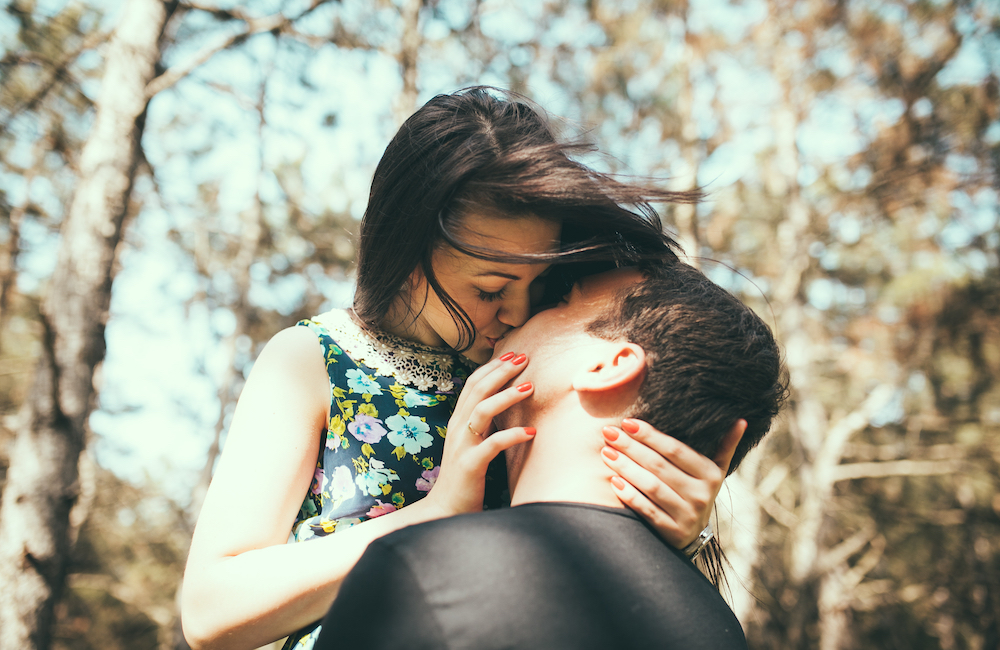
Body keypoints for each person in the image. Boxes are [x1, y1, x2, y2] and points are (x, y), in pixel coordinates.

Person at [180, 87, 736, 650]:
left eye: (539, 284)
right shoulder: (315, 362)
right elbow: (211, 613)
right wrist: (436, 511)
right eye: (491, 288)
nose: (518, 312)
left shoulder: (540, 364)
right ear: (406, 253)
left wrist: (673, 537)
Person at [315, 262, 788, 650]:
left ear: (608, 366)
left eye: (560, 301)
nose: (517, 315)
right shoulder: (718, 626)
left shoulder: (424, 573)